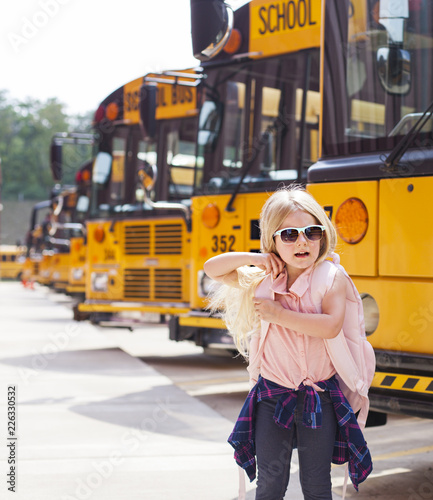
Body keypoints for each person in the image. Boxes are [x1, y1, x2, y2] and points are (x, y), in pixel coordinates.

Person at [203, 185, 372, 500]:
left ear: (323, 235)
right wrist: (257, 257)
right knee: (270, 486)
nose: (303, 241)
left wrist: (278, 314)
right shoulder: (264, 278)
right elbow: (211, 268)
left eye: (312, 232)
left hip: (317, 397)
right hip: (272, 396)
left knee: (317, 486)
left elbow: (331, 325)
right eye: (290, 234)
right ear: (273, 241)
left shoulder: (331, 278)